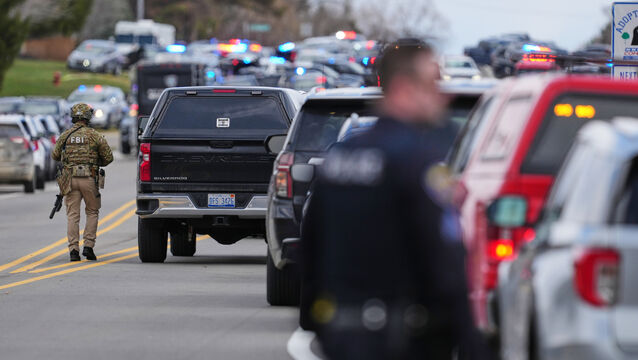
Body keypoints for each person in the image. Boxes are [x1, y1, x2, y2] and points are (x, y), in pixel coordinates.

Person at [300, 39, 489, 359]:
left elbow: (311, 246)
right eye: (432, 82)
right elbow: (446, 265)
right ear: (403, 87)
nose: (441, 94)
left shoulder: (341, 158)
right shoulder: (419, 161)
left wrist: (316, 323)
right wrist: (470, 343)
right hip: (404, 341)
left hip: (343, 338)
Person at [52, 103, 113, 262]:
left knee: (73, 215)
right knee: (92, 212)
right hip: (89, 178)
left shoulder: (65, 135)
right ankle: (88, 246)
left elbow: (55, 155)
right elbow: (108, 158)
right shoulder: (95, 135)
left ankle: (73, 250)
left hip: (70, 179)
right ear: (88, 117)